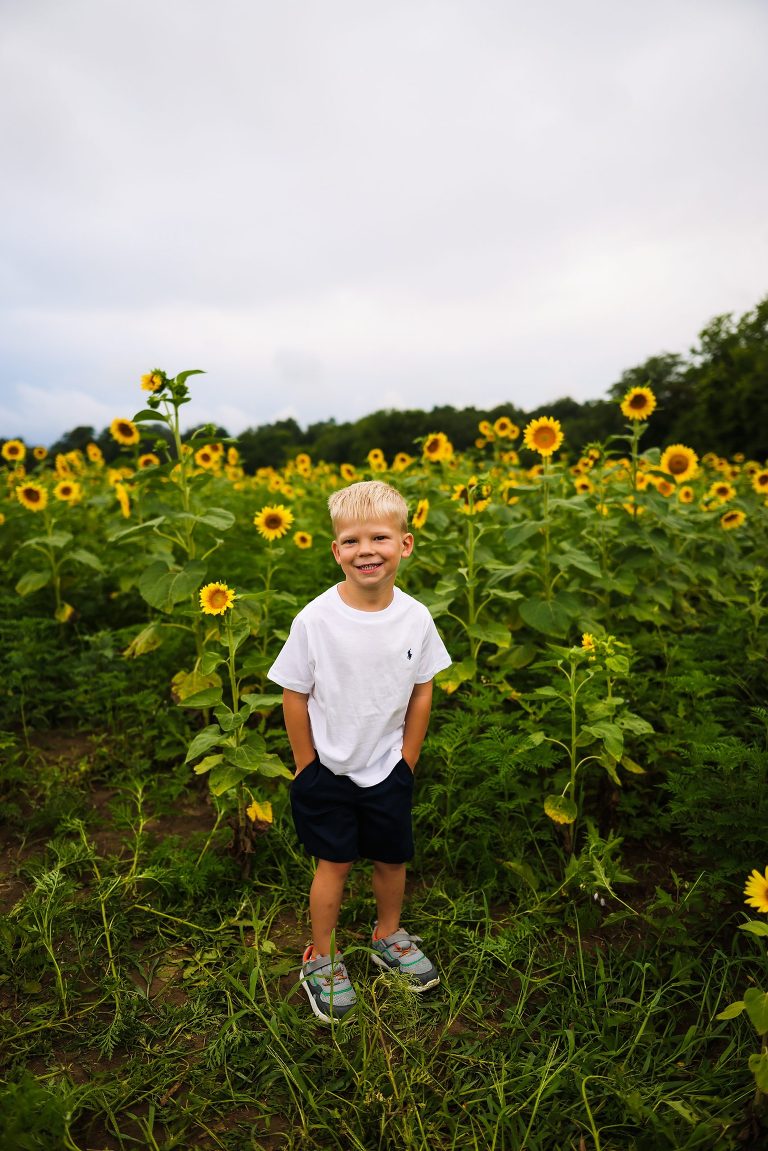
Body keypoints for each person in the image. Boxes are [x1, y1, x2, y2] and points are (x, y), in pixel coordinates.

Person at [268, 479, 451, 1023]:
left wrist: (408, 759)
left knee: (392, 857)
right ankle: (321, 957)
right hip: (328, 770)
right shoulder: (317, 620)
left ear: (405, 544)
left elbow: (422, 689)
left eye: (379, 537)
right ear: (335, 551)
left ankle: (387, 934)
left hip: (388, 767)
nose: (365, 550)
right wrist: (306, 766)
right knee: (335, 863)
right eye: (351, 540)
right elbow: (294, 694)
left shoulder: (416, 616)